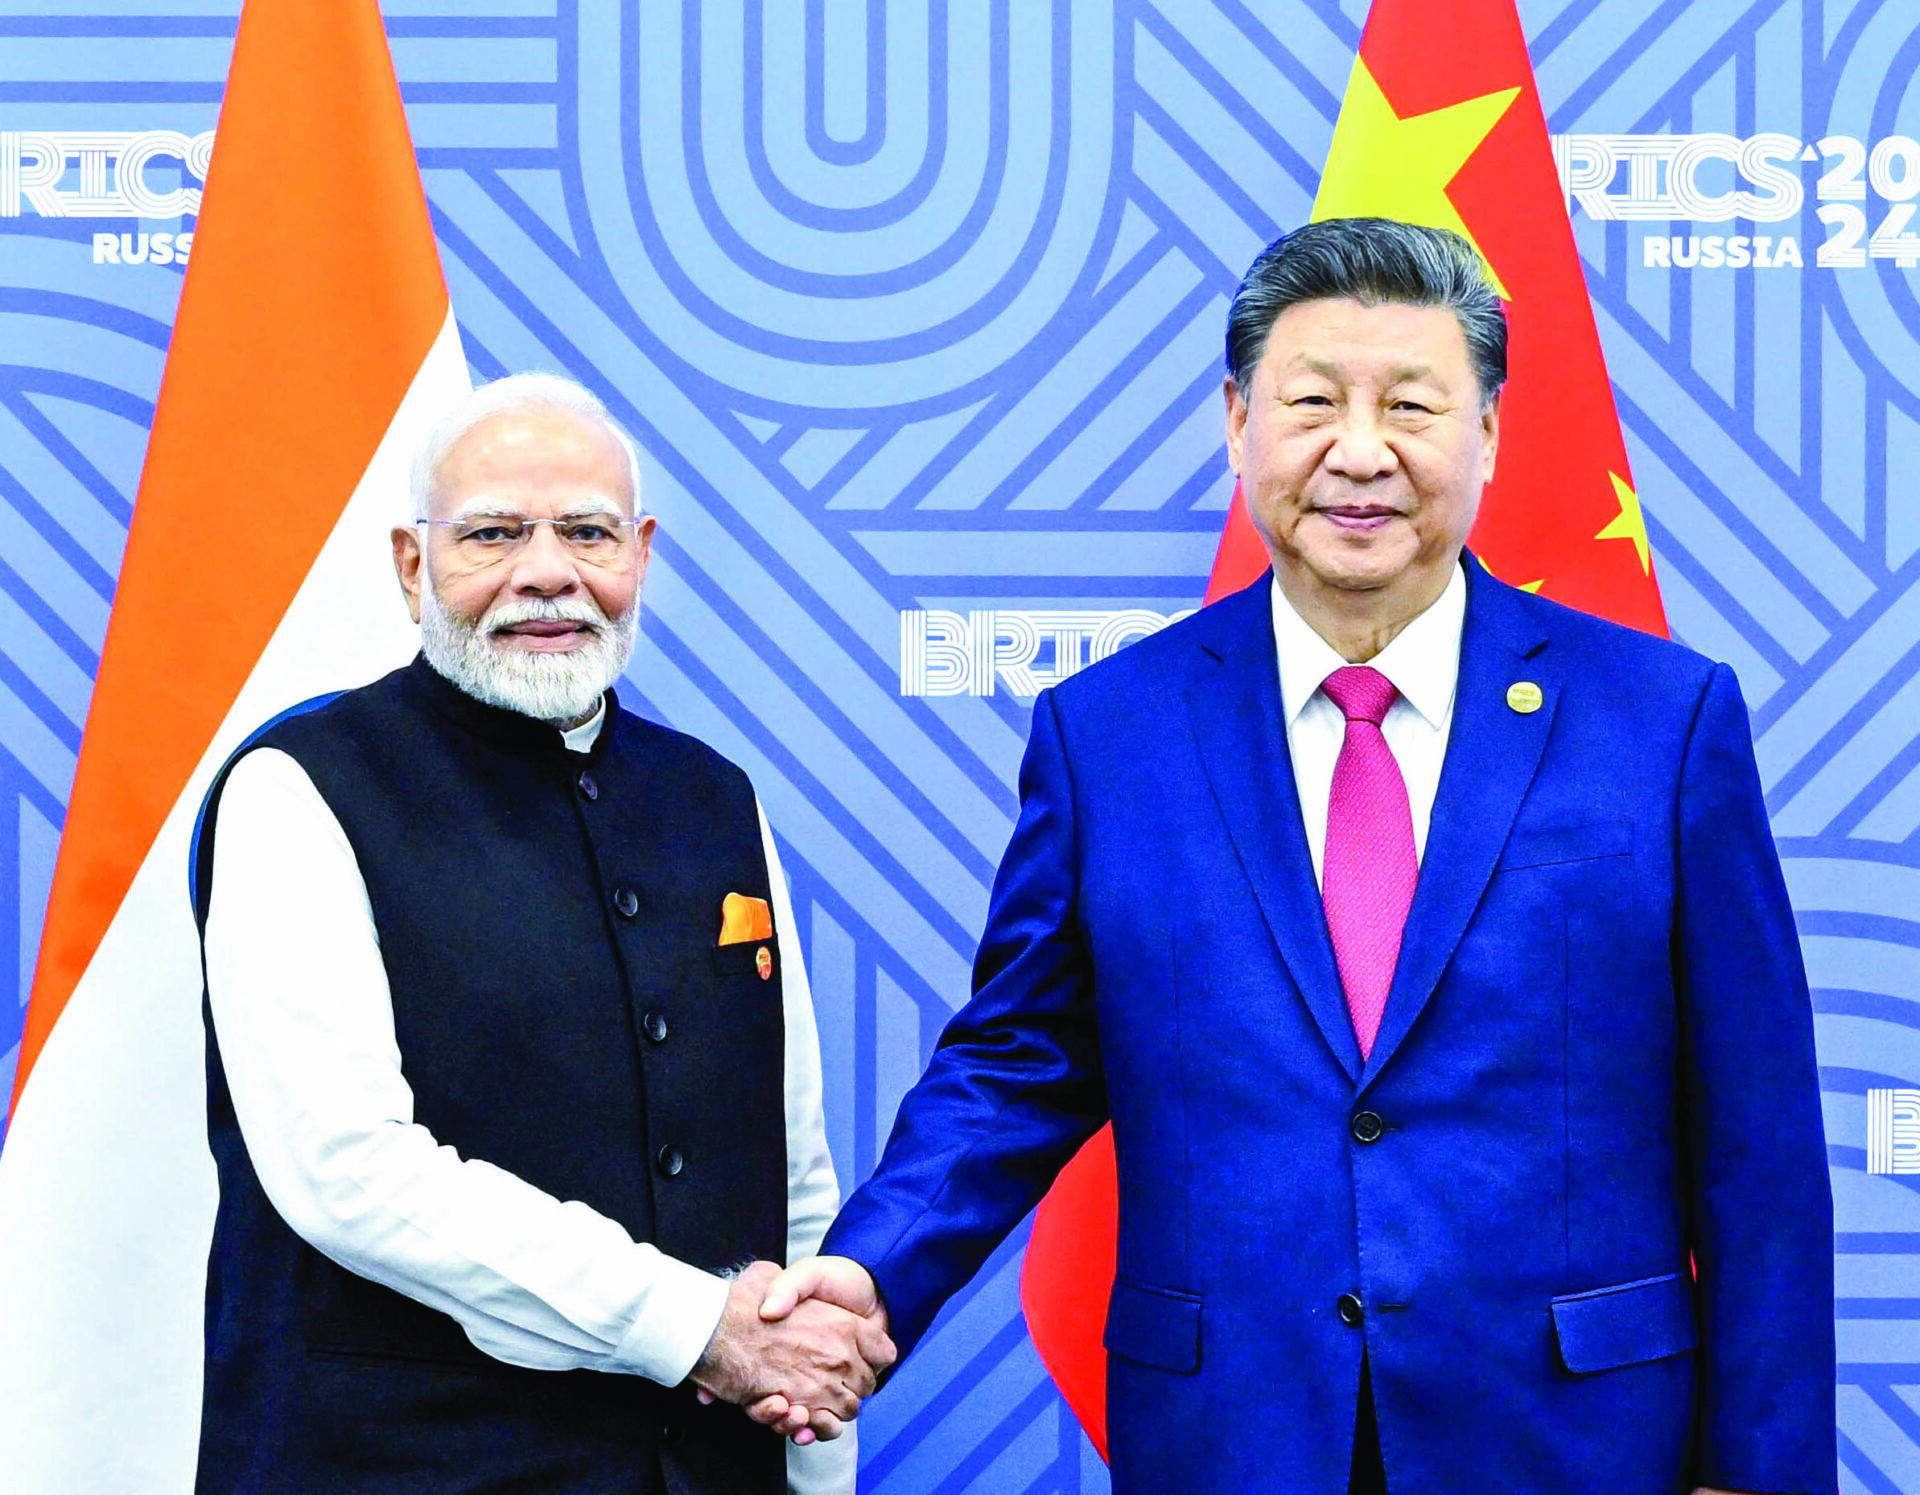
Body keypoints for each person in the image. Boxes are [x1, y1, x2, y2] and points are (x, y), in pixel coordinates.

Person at [751, 221, 1836, 1493]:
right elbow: (1018, 1061)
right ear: (1236, 422)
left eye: (1413, 406)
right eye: (1312, 401)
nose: (1359, 451)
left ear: (1488, 432)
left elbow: (1758, 1141)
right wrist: (873, 1271)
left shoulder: (1660, 721)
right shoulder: (1112, 735)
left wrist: (1758, 1474)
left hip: (1575, 1439)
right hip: (1235, 1435)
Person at [191, 373, 892, 1495]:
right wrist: (695, 1324)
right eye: (494, 533)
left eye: (587, 531)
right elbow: (349, 1171)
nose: (549, 571)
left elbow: (788, 1168)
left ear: (643, 553)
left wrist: (815, 1455)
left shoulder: (714, 797)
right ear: (413, 565)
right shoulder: (299, 790)